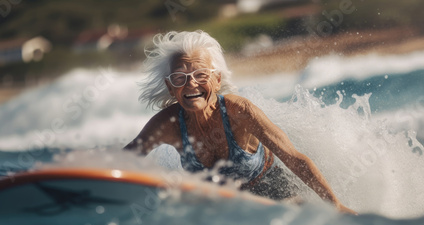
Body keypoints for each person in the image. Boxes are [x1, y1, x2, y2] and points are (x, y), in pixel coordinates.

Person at [124, 30, 356, 215]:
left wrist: (334, 205)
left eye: (201, 75)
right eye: (179, 78)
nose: (191, 84)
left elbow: (294, 159)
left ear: (216, 80)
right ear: (170, 87)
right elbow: (127, 159)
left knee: (297, 210)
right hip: (222, 205)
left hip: (274, 192)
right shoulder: (168, 123)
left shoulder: (239, 112)